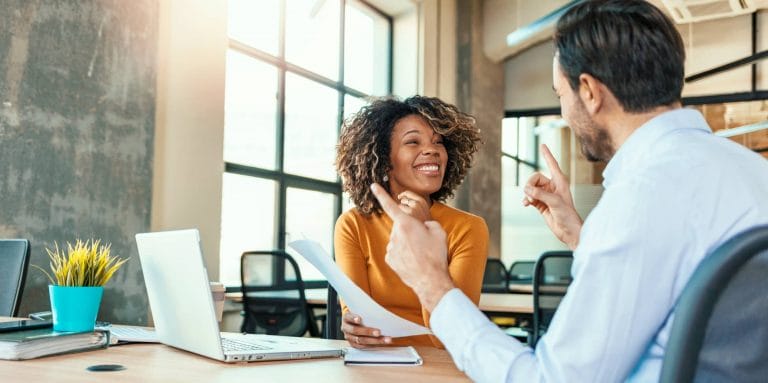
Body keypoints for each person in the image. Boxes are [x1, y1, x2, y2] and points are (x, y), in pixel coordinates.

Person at [369, 0, 768, 381]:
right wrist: (581, 235)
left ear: (590, 92)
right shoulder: (752, 170)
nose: (564, 112)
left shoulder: (643, 195)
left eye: (561, 95)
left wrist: (431, 283)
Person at [334, 95, 488, 348]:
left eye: (438, 142)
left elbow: (453, 337)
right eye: (412, 142)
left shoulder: (469, 229)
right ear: (385, 160)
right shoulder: (353, 225)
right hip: (376, 362)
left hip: (443, 365)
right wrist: (353, 326)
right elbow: (358, 318)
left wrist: (424, 231)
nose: (432, 150)